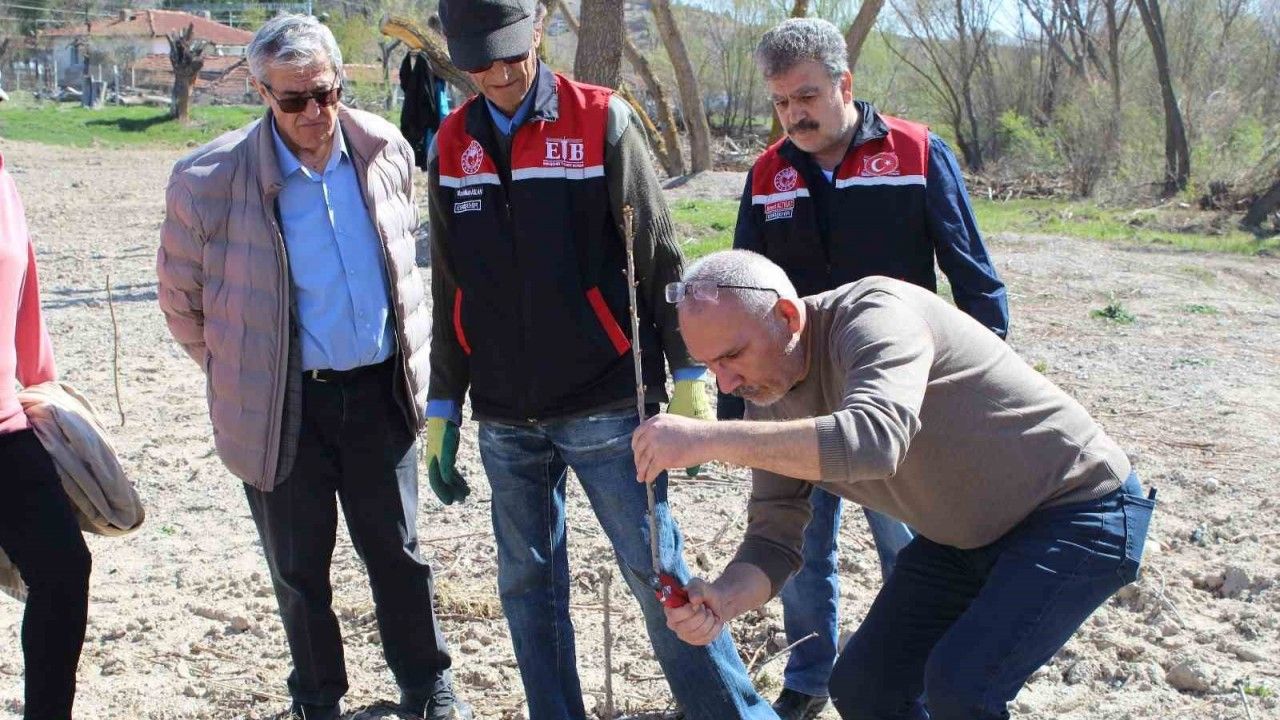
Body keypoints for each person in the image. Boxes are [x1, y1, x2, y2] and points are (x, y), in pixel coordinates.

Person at [425, 1, 777, 718]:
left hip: (607, 402)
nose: (498, 73)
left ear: (537, 31)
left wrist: (688, 377)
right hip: (504, 413)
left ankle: (733, 714)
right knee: (526, 586)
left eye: (510, 53)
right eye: (479, 61)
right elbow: (450, 289)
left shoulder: (600, 120)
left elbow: (659, 257)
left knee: (657, 574)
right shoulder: (451, 144)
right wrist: (443, 404)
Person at [634, 250, 1155, 720]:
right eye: (710, 367)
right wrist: (724, 599)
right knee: (866, 688)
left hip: (1077, 508)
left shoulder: (875, 314)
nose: (725, 383)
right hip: (963, 539)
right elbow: (774, 537)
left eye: (732, 356)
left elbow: (874, 440)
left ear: (787, 317)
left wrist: (711, 439)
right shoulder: (768, 395)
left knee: (962, 688)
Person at [157, 15, 463, 720]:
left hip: (381, 395)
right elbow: (182, 306)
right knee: (299, 570)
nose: (313, 112)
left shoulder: (385, 149)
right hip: (282, 408)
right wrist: (247, 373)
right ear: (262, 93)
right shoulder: (208, 180)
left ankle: (427, 687)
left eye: (324, 93)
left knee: (400, 554)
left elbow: (406, 272)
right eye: (292, 100)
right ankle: (317, 700)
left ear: (340, 82)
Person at [720, 19, 1011, 718]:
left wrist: (978, 388)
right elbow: (742, 290)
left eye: (807, 96)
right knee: (799, 548)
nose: (795, 115)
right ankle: (808, 677)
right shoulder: (768, 174)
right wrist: (740, 407)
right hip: (797, 401)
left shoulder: (915, 152)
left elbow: (976, 282)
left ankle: (915, 680)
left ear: (844, 84)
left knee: (913, 552)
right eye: (781, 102)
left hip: (896, 405)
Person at [0, 152, 91, 720]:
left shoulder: (1, 178)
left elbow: (24, 289)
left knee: (63, 570)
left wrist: (43, 388)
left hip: (4, 426)